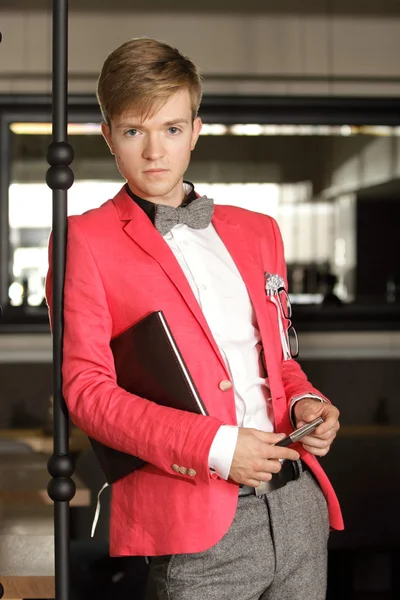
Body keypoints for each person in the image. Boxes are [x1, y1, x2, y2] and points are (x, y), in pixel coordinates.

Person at [46, 37, 343, 600]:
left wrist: (306, 399)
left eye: (173, 129)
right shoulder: (84, 240)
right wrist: (217, 446)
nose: (155, 151)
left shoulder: (259, 231)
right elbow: (85, 392)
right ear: (108, 136)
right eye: (135, 131)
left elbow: (279, 361)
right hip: (196, 524)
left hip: (298, 504)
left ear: (196, 131)